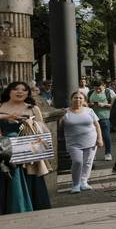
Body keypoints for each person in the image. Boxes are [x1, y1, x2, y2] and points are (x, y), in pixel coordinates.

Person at [0, 82, 52, 213]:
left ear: (28, 93)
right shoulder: (1, 106)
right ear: (9, 91)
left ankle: (28, 205)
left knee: (29, 176)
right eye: (16, 89)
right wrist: (8, 117)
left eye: (24, 90)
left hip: (28, 151)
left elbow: (42, 129)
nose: (20, 92)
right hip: (5, 150)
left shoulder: (33, 108)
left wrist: (32, 123)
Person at [61, 91, 103, 193]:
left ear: (84, 100)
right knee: (77, 162)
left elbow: (97, 125)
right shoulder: (65, 112)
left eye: (80, 98)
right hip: (73, 142)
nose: (78, 100)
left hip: (91, 140)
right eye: (75, 98)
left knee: (88, 162)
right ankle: (76, 184)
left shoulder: (89, 111)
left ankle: (84, 181)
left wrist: (100, 138)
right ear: (71, 99)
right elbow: (59, 126)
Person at [88, 81, 115, 161]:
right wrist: (90, 104)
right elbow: (86, 103)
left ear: (104, 85)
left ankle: (108, 153)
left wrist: (104, 105)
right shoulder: (90, 92)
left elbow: (115, 105)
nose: (98, 90)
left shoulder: (109, 92)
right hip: (92, 118)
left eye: (99, 88)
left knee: (106, 135)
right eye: (96, 88)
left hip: (105, 117)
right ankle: (93, 154)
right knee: (93, 136)